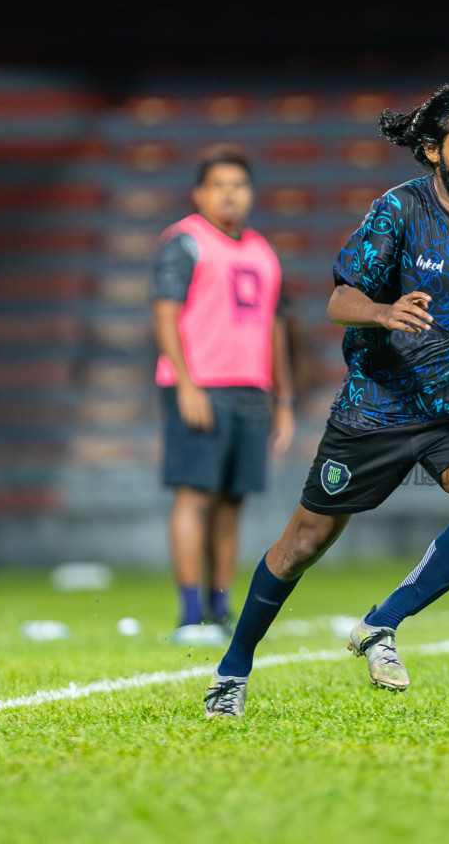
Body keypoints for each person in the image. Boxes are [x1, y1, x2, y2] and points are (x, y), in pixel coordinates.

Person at [203, 82, 449, 718]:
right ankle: (232, 669)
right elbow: (340, 299)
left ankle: (380, 624)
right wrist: (383, 312)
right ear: (433, 150)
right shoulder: (398, 211)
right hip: (379, 406)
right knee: (303, 543)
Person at [151, 145, 295, 642]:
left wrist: (284, 400)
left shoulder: (262, 251)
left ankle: (219, 608)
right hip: (201, 387)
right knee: (195, 496)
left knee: (233, 502)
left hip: (252, 392)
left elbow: (277, 327)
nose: (230, 194)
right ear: (199, 193)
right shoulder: (185, 242)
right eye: (219, 185)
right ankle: (189, 614)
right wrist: (186, 382)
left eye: (238, 184)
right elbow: (165, 314)